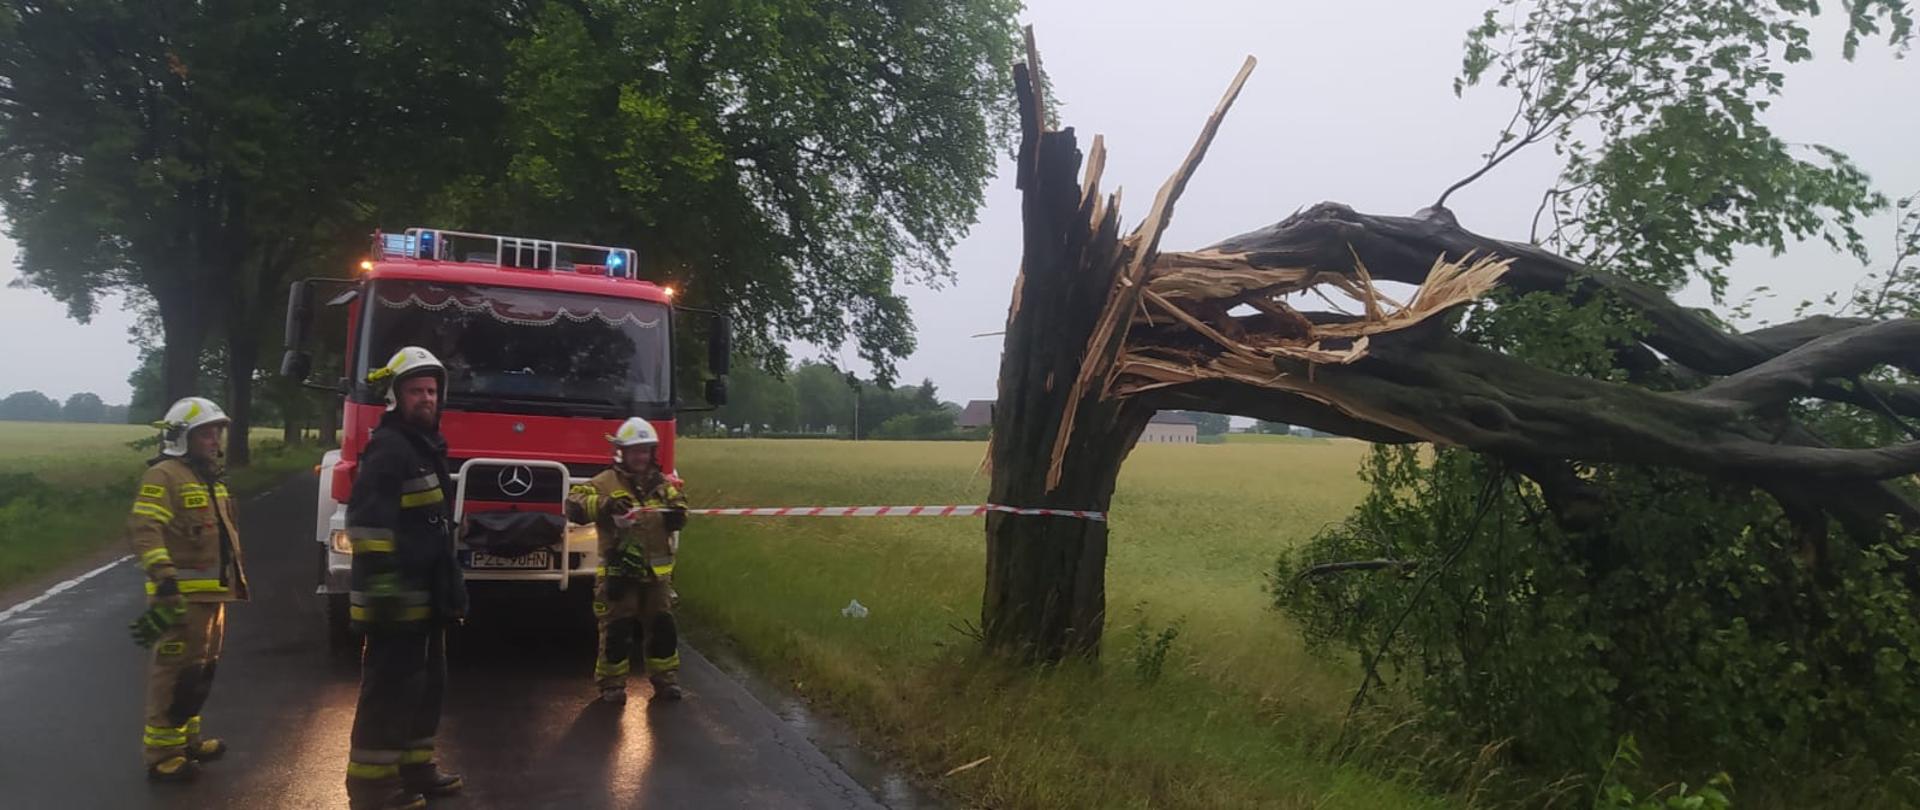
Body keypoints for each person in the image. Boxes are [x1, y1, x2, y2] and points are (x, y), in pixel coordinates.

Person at [343, 347, 466, 810]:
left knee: (426, 686)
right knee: (390, 691)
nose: (426, 398)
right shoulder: (390, 449)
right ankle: (372, 789)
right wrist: (382, 587)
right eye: (416, 391)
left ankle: (416, 767)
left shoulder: (423, 446)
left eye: (432, 390)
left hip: (426, 596)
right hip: (396, 598)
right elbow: (367, 523)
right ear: (396, 397)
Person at [127, 396, 249, 782]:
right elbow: (145, 528)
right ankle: (162, 754)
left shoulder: (208, 477)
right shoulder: (163, 476)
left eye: (217, 433)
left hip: (213, 595)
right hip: (178, 598)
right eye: (206, 434)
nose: (215, 441)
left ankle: (187, 740)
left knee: (198, 671)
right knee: (173, 671)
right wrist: (163, 577)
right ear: (182, 437)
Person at [565, 417, 688, 703]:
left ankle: (666, 681)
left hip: (656, 576)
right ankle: (612, 685)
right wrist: (605, 505)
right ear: (622, 452)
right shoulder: (604, 482)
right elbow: (573, 504)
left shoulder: (662, 484)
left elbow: (679, 503)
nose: (640, 457)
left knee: (662, 628)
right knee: (616, 630)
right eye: (634, 451)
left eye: (644, 451)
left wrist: (678, 514)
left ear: (652, 453)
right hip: (619, 574)